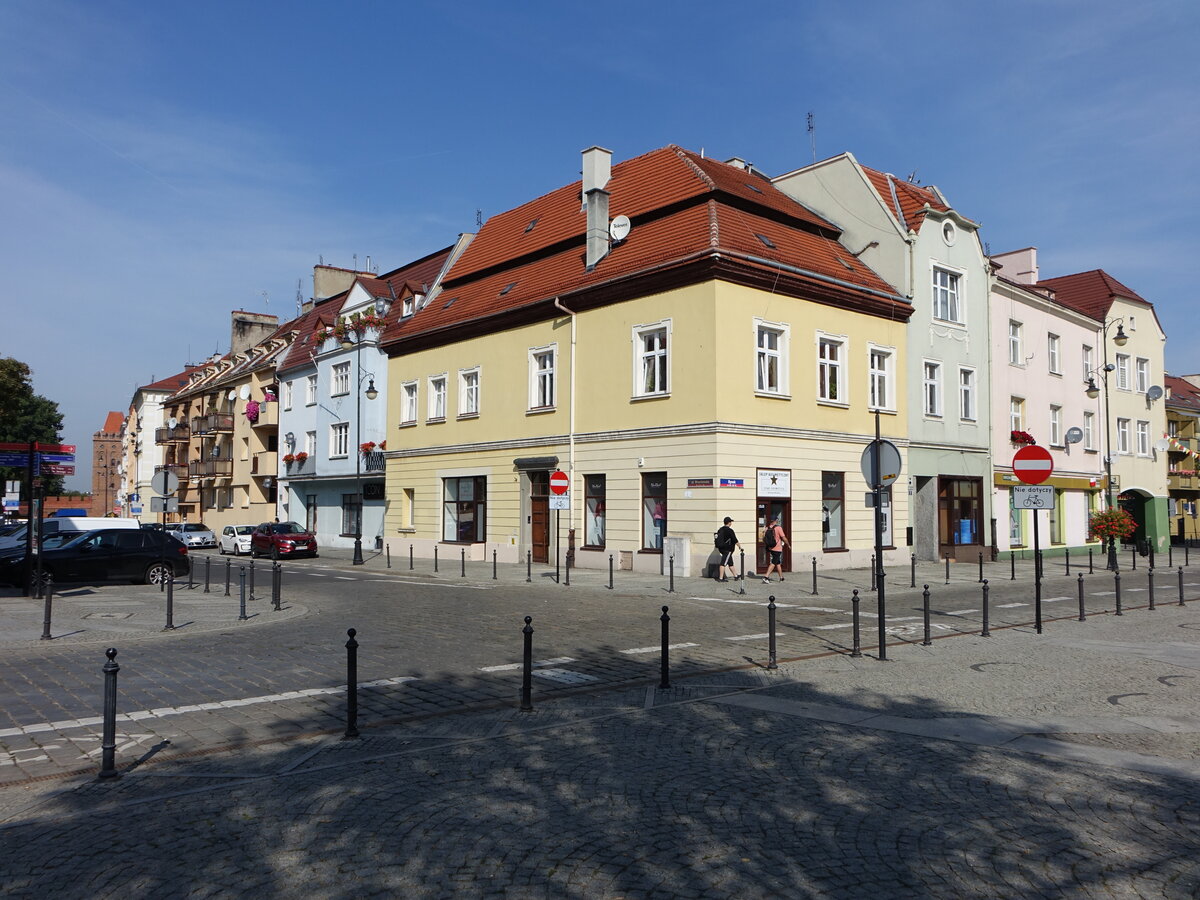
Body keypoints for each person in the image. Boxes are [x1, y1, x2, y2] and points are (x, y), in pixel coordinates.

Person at [762, 515, 789, 584]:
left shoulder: (767, 528)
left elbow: (763, 538)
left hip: (771, 547)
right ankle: (766, 577)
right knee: (774, 562)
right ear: (776, 520)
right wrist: (788, 545)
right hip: (777, 548)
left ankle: (781, 577)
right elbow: (783, 538)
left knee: (778, 563)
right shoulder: (778, 528)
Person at [715, 516, 742, 582]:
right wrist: (740, 547)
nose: (731, 523)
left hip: (721, 549)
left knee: (730, 563)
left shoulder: (720, 529)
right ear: (729, 523)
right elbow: (735, 540)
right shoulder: (730, 530)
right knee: (723, 563)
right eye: (730, 522)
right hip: (727, 550)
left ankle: (736, 576)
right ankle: (720, 578)